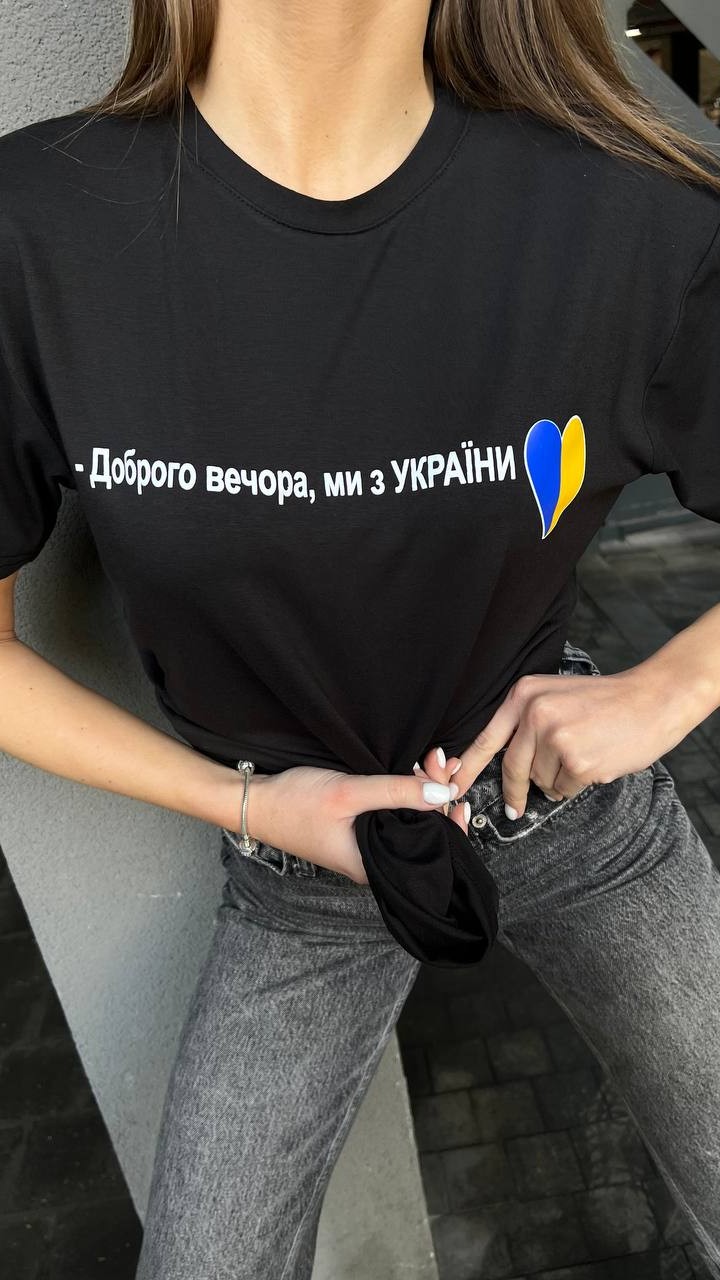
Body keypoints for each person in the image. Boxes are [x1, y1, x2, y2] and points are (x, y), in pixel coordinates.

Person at [2, 0, 720, 1275]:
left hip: (561, 809)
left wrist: (670, 684)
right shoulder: (37, 227)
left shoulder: (622, 206)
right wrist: (249, 804)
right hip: (298, 859)